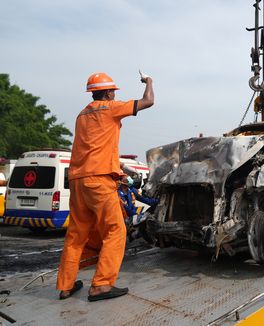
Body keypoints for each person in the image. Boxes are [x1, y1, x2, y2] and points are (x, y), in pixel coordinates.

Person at [56, 71, 154, 302]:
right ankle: (101, 285)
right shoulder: (110, 108)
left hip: (79, 180)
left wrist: (120, 167)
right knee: (115, 230)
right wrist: (148, 81)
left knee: (76, 234)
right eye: (113, 91)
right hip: (99, 181)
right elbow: (148, 101)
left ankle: (65, 286)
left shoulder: (82, 115)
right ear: (109, 92)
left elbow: (94, 148)